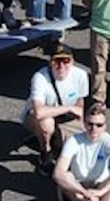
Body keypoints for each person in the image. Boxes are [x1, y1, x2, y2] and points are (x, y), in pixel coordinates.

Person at [22, 44, 88, 172]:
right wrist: (68, 108)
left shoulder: (81, 75)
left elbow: (80, 104)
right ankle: (45, 152)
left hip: (64, 117)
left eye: (65, 61)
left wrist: (81, 127)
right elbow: (39, 112)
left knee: (81, 148)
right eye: (56, 61)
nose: (61, 66)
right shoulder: (40, 78)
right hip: (35, 117)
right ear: (50, 62)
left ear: (72, 61)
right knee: (46, 123)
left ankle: (54, 139)